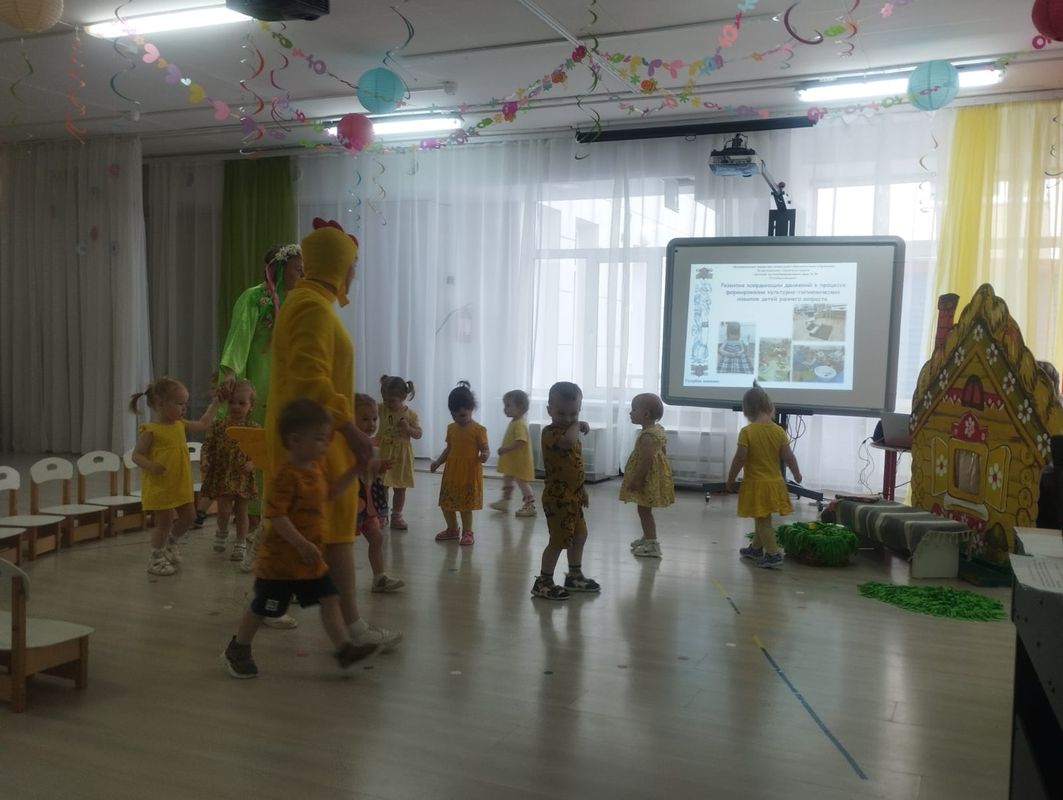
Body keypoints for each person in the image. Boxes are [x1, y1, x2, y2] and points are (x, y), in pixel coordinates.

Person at [265, 218, 401, 650]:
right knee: (329, 530)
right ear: (340, 264)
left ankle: (342, 626)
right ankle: (344, 627)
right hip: (316, 440)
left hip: (320, 437)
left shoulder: (311, 302)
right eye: (353, 262)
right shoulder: (310, 306)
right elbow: (311, 379)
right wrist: (352, 431)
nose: (356, 271)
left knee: (332, 530)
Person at [221, 399, 379, 678]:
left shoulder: (315, 469)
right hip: (280, 563)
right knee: (263, 606)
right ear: (295, 440)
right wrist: (301, 543)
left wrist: (355, 469)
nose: (325, 444)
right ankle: (239, 648)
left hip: (309, 559)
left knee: (329, 598)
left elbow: (330, 492)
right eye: (319, 438)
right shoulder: (285, 476)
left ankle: (344, 649)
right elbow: (276, 516)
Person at [199, 244, 304, 545]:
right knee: (254, 446)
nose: (302, 275)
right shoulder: (255, 297)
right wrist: (231, 373)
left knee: (284, 446)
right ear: (279, 269)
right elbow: (239, 336)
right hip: (259, 379)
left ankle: (281, 515)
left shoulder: (300, 301)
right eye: (297, 269)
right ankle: (253, 521)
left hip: (287, 383)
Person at [129, 377, 220, 576]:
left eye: (185, 403)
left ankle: (171, 543)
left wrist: (215, 404)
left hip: (180, 482)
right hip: (161, 485)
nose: (184, 408)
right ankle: (156, 558)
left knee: (189, 517)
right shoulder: (151, 430)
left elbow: (203, 423)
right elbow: (136, 455)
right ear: (161, 404)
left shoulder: (179, 423)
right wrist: (151, 465)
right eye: (180, 404)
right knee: (164, 522)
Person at [532, 381, 601, 600]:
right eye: (561, 413)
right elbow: (568, 443)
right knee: (558, 541)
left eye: (574, 413)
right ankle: (543, 582)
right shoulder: (550, 433)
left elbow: (575, 465)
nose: (568, 418)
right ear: (549, 410)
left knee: (580, 535)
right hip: (558, 499)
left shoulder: (571, 430)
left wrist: (582, 490)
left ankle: (574, 575)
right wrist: (577, 425)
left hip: (574, 496)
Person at [726, 385, 802, 569]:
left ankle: (773, 554)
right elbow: (788, 457)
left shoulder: (747, 432)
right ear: (769, 406)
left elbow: (740, 458)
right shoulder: (778, 431)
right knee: (761, 516)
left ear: (747, 409)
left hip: (757, 485)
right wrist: (797, 473)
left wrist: (730, 478)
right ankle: (756, 548)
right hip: (775, 484)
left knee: (763, 521)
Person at [200, 379, 258, 562]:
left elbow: (261, 451)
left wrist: (253, 463)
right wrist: (205, 460)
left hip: (242, 476)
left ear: (251, 406)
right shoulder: (219, 425)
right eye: (232, 402)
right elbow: (207, 445)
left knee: (242, 512)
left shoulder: (253, 428)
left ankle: (241, 542)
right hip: (223, 475)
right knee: (224, 510)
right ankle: (222, 530)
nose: (236, 406)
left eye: (242, 403)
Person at [353, 393, 406, 593]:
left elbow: (368, 474)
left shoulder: (372, 443)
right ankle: (312, 581)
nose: (371, 424)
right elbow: (353, 468)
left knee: (377, 538)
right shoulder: (347, 444)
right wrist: (374, 465)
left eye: (374, 419)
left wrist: (378, 467)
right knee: (337, 546)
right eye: (365, 419)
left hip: (367, 502)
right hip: (352, 503)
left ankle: (379, 577)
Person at [430, 382, 490, 545]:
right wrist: (438, 462)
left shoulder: (478, 430)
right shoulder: (451, 428)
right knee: (446, 503)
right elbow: (449, 449)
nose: (458, 419)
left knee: (465, 505)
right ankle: (452, 529)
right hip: (452, 472)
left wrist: (485, 454)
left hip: (469, 472)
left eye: (463, 415)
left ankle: (468, 532)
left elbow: (485, 448)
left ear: (471, 409)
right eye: (454, 415)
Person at [620, 393, 675, 559]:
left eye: (634, 410)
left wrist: (637, 479)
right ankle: (647, 536)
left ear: (646, 414)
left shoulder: (647, 436)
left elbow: (646, 460)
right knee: (644, 508)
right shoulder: (658, 430)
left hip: (646, 478)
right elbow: (663, 451)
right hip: (653, 476)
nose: (630, 413)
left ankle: (652, 544)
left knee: (644, 510)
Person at [377, 374, 422, 530]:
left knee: (400, 487)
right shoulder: (381, 409)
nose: (387, 403)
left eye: (391, 401)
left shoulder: (410, 414)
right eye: (385, 400)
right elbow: (366, 409)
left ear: (403, 397)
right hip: (384, 453)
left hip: (401, 456)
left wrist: (408, 429)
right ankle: (382, 514)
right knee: (382, 485)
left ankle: (397, 515)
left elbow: (419, 434)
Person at [489, 389, 537, 517]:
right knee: (507, 479)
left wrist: (505, 449)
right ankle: (505, 501)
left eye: (508, 405)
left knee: (522, 482)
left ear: (520, 407)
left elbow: (521, 441)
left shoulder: (519, 424)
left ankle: (530, 505)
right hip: (513, 462)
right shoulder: (515, 422)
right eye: (505, 406)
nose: (505, 409)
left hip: (520, 462)